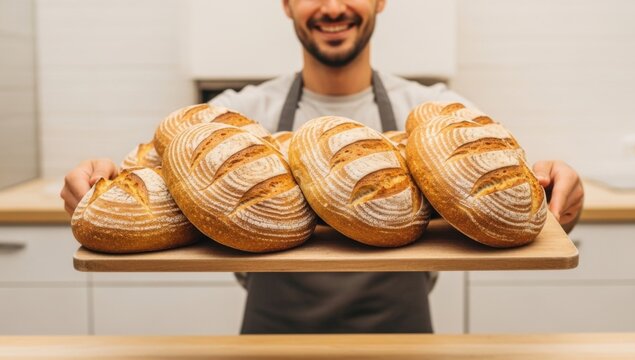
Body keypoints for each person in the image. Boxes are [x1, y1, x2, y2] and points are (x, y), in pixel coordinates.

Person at [61, 0, 584, 334]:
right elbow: (151, 175)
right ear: (286, 5)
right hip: (270, 336)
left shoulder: (436, 113)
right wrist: (97, 182)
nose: (333, 7)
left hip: (402, 338)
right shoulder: (241, 115)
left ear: (381, 1)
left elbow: (509, 195)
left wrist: (556, 188)